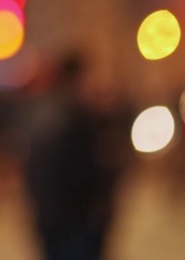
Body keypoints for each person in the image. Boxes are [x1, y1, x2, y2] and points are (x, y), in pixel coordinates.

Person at [15, 52, 122, 260]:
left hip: (50, 218)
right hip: (75, 221)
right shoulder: (77, 117)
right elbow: (85, 171)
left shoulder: (40, 112)